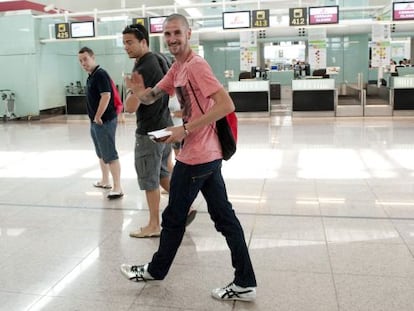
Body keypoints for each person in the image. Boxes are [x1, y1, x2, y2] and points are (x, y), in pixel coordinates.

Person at [120, 14, 257, 302]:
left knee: (173, 218)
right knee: (224, 217)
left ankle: (156, 271)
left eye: (177, 33)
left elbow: (225, 105)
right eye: (167, 34)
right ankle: (245, 281)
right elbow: (153, 96)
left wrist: (184, 129)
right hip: (206, 154)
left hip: (198, 155)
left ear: (189, 34)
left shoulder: (196, 66)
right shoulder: (178, 68)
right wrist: (136, 91)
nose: (171, 39)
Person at [122, 23, 196, 239]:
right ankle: (187, 208)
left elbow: (130, 107)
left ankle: (154, 224)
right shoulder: (160, 58)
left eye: (130, 42)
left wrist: (131, 92)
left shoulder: (143, 67)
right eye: (124, 42)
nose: (126, 46)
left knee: (149, 179)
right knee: (163, 172)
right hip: (163, 125)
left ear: (143, 41)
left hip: (149, 131)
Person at [78, 46, 123, 199]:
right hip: (95, 122)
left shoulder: (100, 74)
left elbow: (106, 96)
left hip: (104, 121)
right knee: (101, 153)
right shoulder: (91, 75)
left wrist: (98, 116)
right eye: (80, 61)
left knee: (109, 153)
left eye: (85, 59)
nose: (83, 63)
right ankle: (105, 180)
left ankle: (118, 187)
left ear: (93, 57)